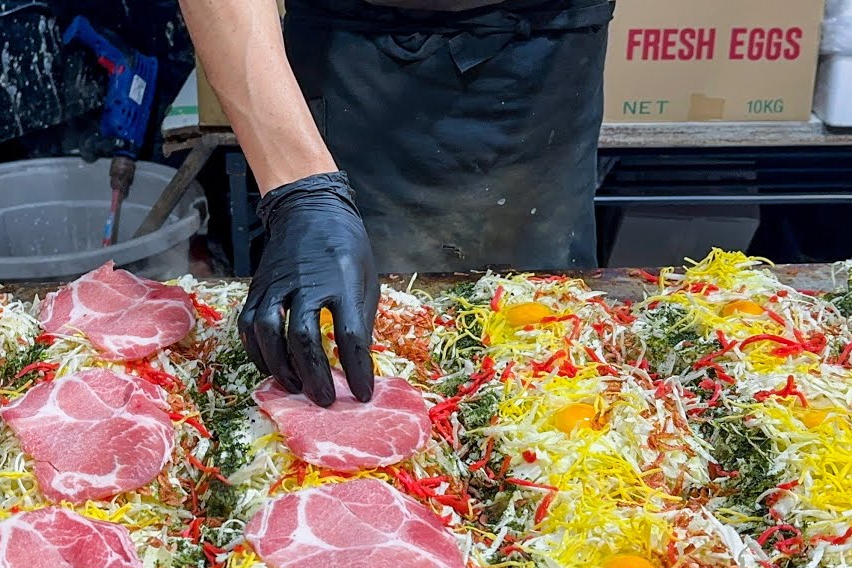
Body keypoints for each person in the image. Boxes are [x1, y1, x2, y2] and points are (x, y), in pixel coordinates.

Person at [179, 0, 615, 407]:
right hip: (353, 59)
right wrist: (302, 191)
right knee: (348, 331)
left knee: (547, 346)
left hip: (548, 61)